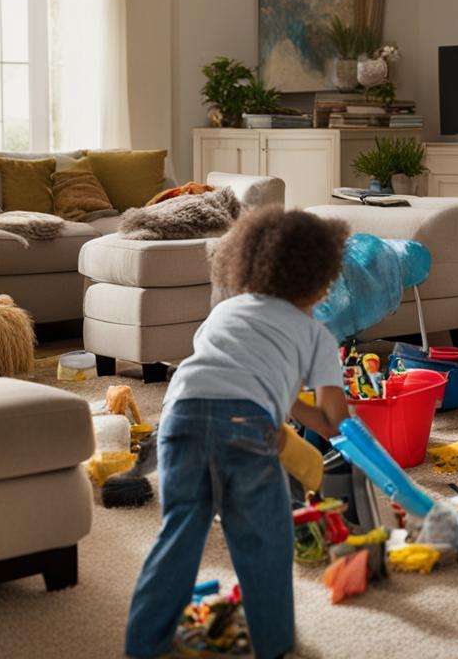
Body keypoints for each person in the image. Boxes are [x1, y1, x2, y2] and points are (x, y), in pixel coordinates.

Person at [125, 206, 352, 659]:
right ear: (320, 278)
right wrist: (309, 415)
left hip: (179, 417)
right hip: (245, 429)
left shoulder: (227, 310)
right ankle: (274, 643)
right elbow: (334, 422)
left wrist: (283, 398)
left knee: (180, 531)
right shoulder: (315, 335)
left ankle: (142, 644)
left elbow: (229, 370)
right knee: (264, 539)